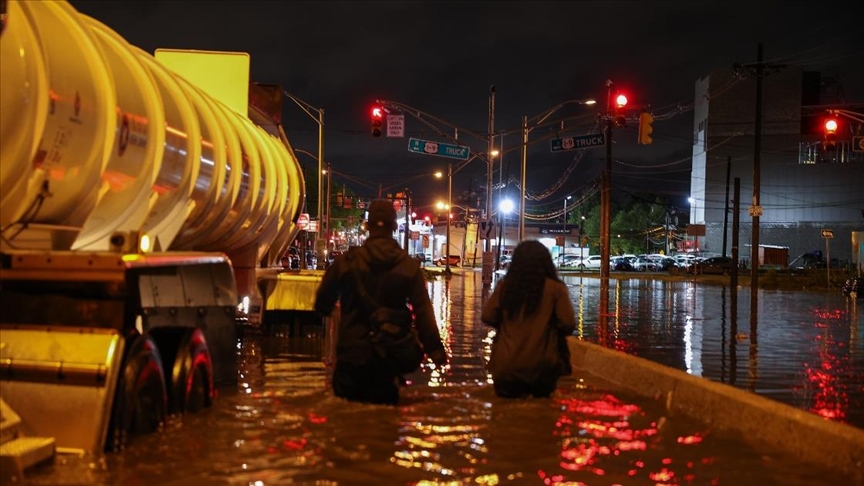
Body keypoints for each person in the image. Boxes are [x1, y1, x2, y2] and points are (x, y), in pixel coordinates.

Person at [314, 199, 448, 405]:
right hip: (389, 359)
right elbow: (423, 313)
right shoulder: (408, 266)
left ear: (367, 226)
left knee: (346, 417)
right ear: (394, 226)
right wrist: (436, 351)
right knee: (385, 418)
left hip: (351, 357)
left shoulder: (346, 263)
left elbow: (322, 305)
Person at [481, 240, 576, 399]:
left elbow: (487, 316)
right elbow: (568, 324)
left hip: (506, 366)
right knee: (541, 412)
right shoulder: (555, 289)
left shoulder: (505, 287)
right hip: (542, 368)